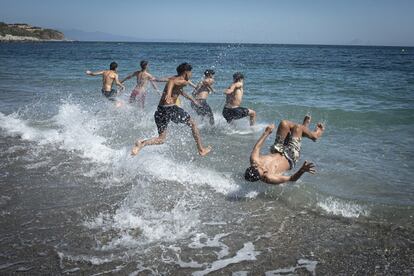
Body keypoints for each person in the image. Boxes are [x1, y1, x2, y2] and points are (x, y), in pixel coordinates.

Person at [131, 63, 212, 156]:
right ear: (186, 72)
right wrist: (169, 94)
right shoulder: (182, 81)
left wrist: (192, 99)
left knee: (161, 139)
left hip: (161, 109)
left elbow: (178, 90)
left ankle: (142, 144)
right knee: (193, 124)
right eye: (190, 72)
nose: (191, 74)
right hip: (171, 108)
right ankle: (201, 150)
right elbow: (171, 82)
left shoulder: (176, 79)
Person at [245, 115, 325, 184]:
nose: (264, 169)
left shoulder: (254, 160)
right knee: (297, 128)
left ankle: (303, 130)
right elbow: (291, 179)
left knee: (284, 124)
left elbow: (257, 147)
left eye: (260, 168)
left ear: (254, 166)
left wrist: (267, 132)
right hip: (290, 157)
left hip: (277, 149)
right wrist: (302, 170)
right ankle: (314, 135)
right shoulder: (269, 178)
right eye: (263, 173)